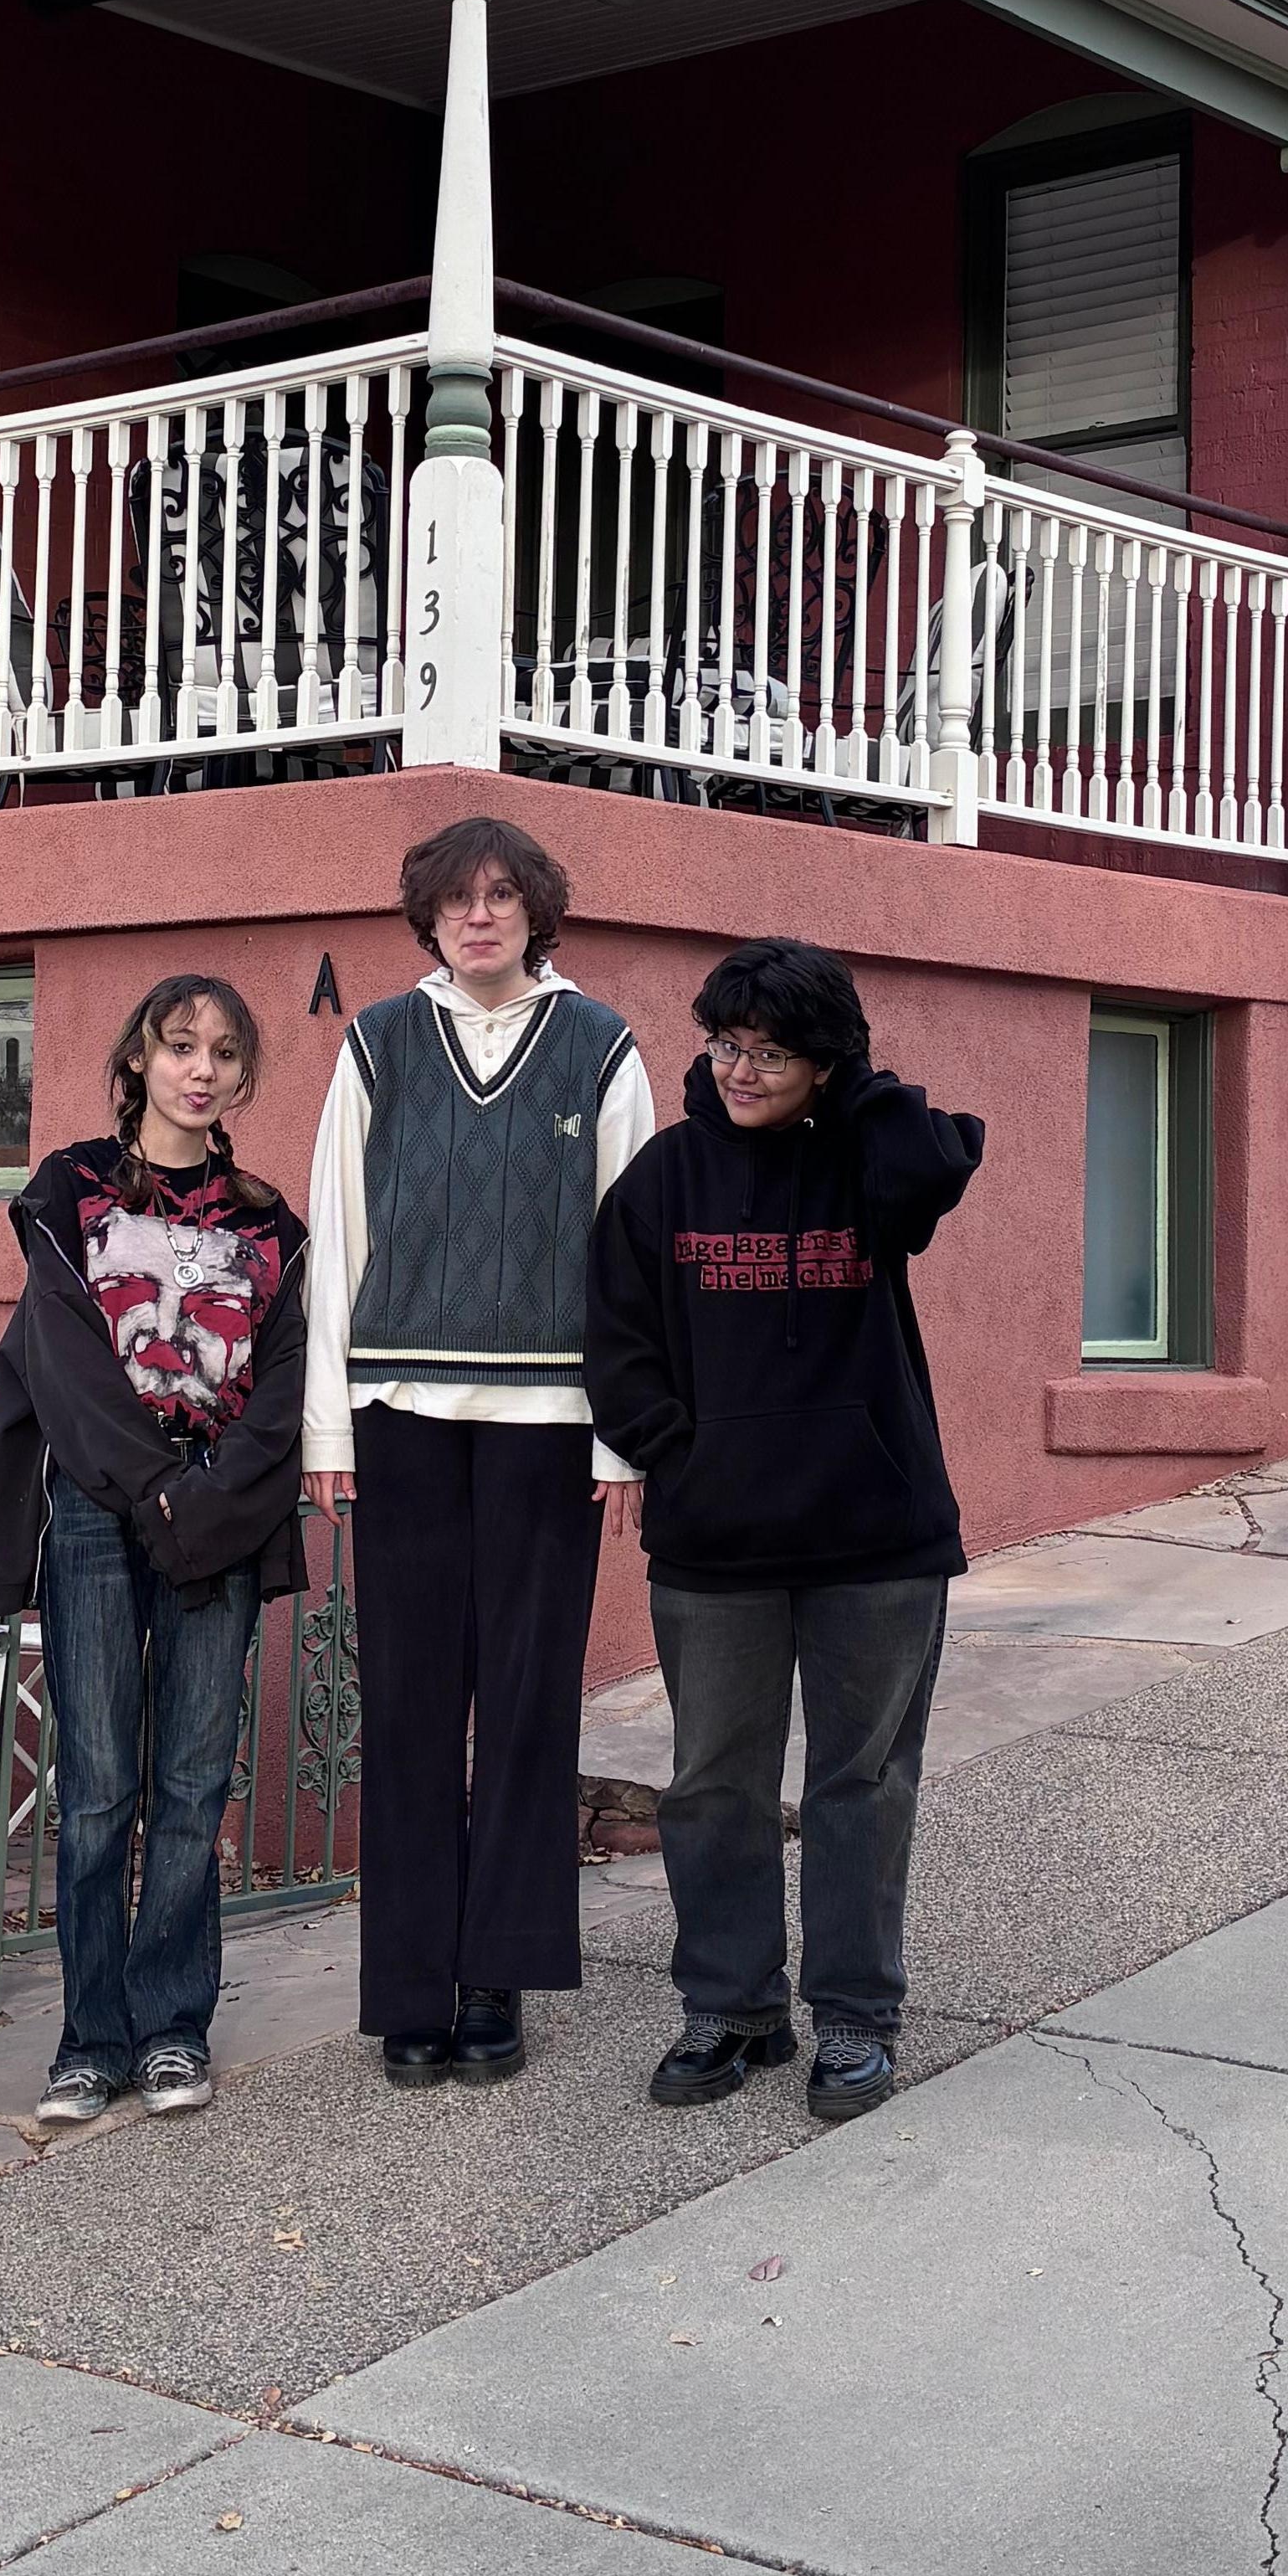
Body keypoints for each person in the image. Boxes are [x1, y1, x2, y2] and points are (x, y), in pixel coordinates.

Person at [582, 938, 983, 2127]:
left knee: (862, 1783)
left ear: (824, 1063)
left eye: (773, 1053)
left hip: (878, 1534)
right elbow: (616, 1336)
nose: (743, 1071)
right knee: (713, 1784)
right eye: (728, 1046)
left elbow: (932, 1167)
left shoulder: (870, 1161)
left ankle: (856, 2022)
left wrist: (854, 1087)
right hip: (718, 1544)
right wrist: (679, 1452)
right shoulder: (664, 1180)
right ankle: (732, 2009)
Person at [301, 814, 658, 2087]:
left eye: (504, 895)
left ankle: (497, 1977)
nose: (481, 915)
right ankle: (410, 1988)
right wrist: (327, 1426)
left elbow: (631, 1262)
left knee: (524, 1704)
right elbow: (337, 1235)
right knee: (405, 1707)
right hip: (402, 1417)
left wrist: (625, 1444)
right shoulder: (379, 1045)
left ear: (536, 911)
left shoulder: (603, 1049)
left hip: (551, 1428)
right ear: (430, 918)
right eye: (458, 898)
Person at [0, 972, 310, 2131]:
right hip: (98, 1516)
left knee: (189, 1785)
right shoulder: (68, 1192)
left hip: (218, 1518)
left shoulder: (268, 1221)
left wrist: (205, 1503)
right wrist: (156, 1491)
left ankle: (173, 2030)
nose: (201, 1067)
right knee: (98, 1790)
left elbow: (282, 1388)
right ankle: (89, 2039)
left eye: (223, 1051)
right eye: (179, 1046)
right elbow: (63, 1368)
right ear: (139, 1061)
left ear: (243, 1077)